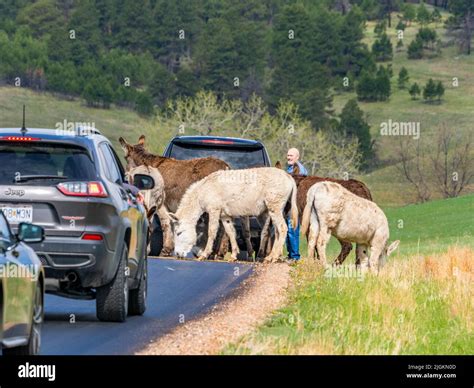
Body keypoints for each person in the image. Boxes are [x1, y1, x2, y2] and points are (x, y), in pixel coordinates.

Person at [286, 148, 308, 261]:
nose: (289, 157)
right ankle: (290, 255)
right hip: (287, 204)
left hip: (295, 205)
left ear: (297, 157)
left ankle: (295, 257)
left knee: (292, 229)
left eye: (291, 156)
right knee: (286, 230)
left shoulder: (300, 170)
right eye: (288, 155)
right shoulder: (289, 168)